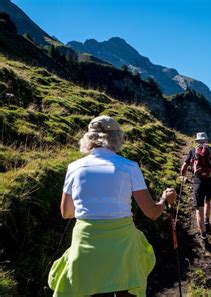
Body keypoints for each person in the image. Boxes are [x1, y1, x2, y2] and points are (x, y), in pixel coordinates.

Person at [48, 115, 176, 297]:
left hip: (86, 239)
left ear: (88, 138)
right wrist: (165, 200)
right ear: (117, 138)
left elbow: (67, 212)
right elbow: (152, 213)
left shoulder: (74, 167)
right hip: (122, 240)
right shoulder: (129, 167)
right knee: (125, 289)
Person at [180, 132, 211, 241]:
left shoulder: (192, 151)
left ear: (197, 141)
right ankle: (207, 220)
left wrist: (183, 176)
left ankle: (203, 234)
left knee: (198, 208)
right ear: (207, 140)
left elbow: (183, 169)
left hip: (198, 182)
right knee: (208, 200)